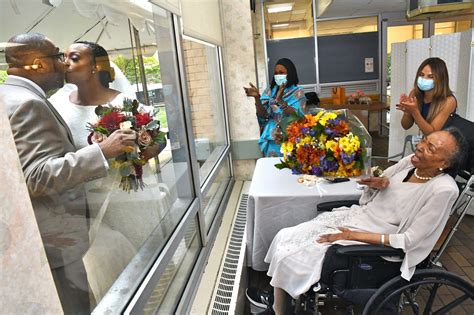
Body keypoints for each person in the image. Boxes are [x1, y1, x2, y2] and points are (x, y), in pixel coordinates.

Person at [249, 128, 467, 315]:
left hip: (375, 241)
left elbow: (410, 240)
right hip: (358, 217)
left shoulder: (443, 190)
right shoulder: (409, 163)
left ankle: (278, 308)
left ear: (444, 163)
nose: (420, 147)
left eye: (431, 148)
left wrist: (351, 236)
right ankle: (279, 303)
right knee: (284, 236)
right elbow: (375, 188)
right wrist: (375, 185)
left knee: (295, 254)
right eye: (424, 140)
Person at [0, 33, 136, 314]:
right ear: (38, 64)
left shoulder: (8, 96)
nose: (63, 64)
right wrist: (102, 152)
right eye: (58, 56)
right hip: (54, 237)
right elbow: (35, 177)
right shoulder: (28, 103)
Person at [49, 41, 167, 302]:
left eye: (74, 58)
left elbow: (159, 138)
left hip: (130, 201)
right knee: (105, 274)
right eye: (64, 57)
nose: (65, 62)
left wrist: (145, 151)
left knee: (142, 265)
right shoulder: (56, 106)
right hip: (87, 207)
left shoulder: (124, 102)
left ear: (94, 67)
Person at [244, 58, 306, 157]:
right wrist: (257, 98)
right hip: (271, 136)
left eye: (281, 73)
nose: (278, 76)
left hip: (290, 135)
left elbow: (299, 116)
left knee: (289, 167)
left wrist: (280, 100)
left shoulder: (298, 92)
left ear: (290, 73)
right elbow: (263, 115)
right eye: (276, 73)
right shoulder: (270, 91)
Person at [398, 57, 457, 135]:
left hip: (446, 143)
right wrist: (407, 112)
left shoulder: (449, 101)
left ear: (441, 79)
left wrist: (415, 112)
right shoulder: (415, 94)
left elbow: (432, 133)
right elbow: (405, 126)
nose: (424, 79)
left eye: (430, 76)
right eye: (421, 75)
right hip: (430, 141)